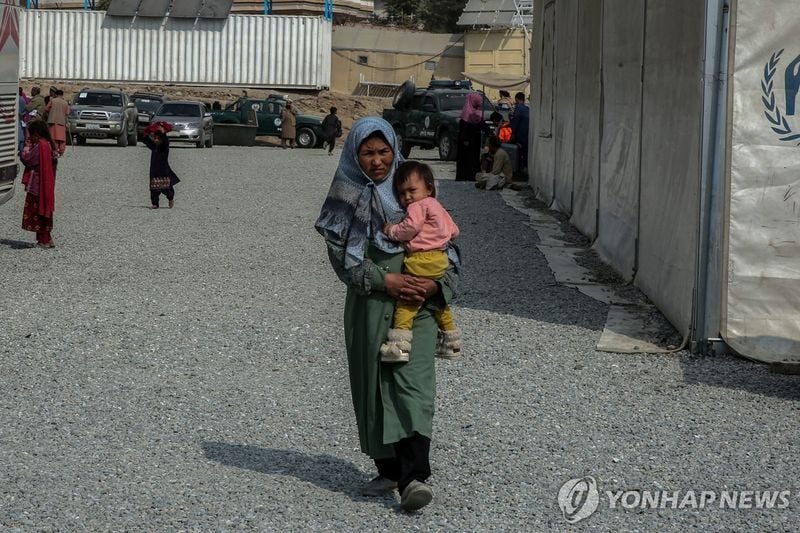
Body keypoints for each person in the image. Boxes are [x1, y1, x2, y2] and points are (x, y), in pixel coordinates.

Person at [315, 117, 460, 512]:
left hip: (420, 308)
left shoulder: (413, 194)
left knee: (413, 386)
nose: (377, 161)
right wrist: (387, 280)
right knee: (372, 388)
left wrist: (435, 285)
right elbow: (342, 262)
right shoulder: (344, 198)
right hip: (370, 305)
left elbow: (452, 254)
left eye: (384, 152)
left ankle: (414, 478)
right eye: (368, 152)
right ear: (354, 154)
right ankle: (389, 468)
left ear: (396, 151)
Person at [380, 161, 462, 363]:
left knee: (409, 300)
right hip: (439, 258)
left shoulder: (418, 206)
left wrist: (391, 230)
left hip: (421, 260)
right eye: (402, 193)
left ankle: (399, 347)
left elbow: (410, 228)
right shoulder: (437, 206)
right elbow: (454, 231)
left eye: (412, 190)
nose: (407, 197)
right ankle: (452, 343)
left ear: (429, 189)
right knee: (437, 302)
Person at [20, 120, 57, 248]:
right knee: (45, 210)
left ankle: (44, 240)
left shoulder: (40, 145)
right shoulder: (49, 144)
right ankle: (47, 238)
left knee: (37, 211)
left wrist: (24, 150)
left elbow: (29, 159)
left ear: (37, 133)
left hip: (38, 184)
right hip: (47, 183)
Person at [143, 122, 180, 209]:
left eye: (157, 138)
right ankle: (155, 204)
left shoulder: (164, 146)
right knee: (153, 188)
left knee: (166, 187)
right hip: (154, 170)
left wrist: (162, 132)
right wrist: (146, 134)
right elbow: (146, 141)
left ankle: (170, 198)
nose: (155, 140)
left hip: (163, 170)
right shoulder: (154, 147)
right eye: (154, 138)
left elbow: (165, 140)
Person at [455, 92, 490, 181]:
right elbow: (463, 129)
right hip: (467, 142)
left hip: (472, 142)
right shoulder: (467, 113)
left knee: (472, 159)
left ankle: (469, 176)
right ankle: (465, 176)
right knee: (467, 159)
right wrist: (465, 139)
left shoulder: (476, 113)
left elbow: (484, 126)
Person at [45, 89, 70, 156]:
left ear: (56, 94)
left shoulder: (52, 101)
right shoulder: (65, 103)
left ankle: (54, 151)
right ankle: (61, 151)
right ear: (62, 95)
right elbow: (67, 113)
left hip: (52, 121)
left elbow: (46, 109)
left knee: (53, 137)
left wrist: (50, 113)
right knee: (62, 138)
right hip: (61, 122)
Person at [509, 91, 530, 170]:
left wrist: (513, 132)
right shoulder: (528, 109)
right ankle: (525, 167)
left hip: (520, 134)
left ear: (517, 99)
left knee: (517, 151)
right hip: (527, 134)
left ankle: (517, 169)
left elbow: (516, 121)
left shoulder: (518, 108)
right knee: (525, 152)